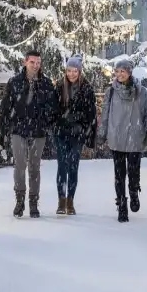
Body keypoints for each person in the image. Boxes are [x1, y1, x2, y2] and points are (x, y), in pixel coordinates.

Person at [0, 50, 56, 218]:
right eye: (32, 62)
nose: (36, 66)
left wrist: (46, 121)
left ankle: (33, 201)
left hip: (38, 131)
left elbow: (52, 107)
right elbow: (5, 108)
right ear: (25, 62)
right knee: (20, 165)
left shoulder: (45, 83)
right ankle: (20, 199)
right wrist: (1, 129)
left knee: (35, 167)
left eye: (38, 63)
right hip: (19, 129)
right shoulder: (15, 82)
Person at [99, 57, 147, 222]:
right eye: (118, 71)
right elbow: (105, 114)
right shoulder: (111, 92)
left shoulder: (141, 92)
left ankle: (134, 192)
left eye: (123, 71)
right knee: (119, 173)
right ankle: (121, 204)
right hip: (117, 137)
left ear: (129, 72)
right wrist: (102, 133)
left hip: (135, 136)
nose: (120, 74)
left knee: (134, 171)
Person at [53, 55, 96, 215]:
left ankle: (70, 201)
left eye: (75, 71)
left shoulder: (86, 88)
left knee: (73, 167)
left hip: (77, 134)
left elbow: (90, 114)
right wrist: (58, 124)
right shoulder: (59, 86)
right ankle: (61, 200)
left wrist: (86, 132)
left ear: (80, 71)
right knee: (62, 166)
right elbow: (53, 110)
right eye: (69, 70)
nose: (71, 74)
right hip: (61, 133)